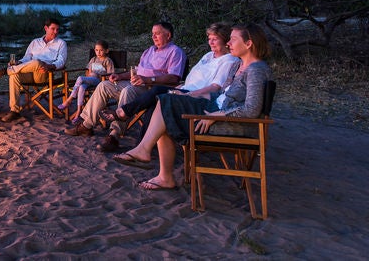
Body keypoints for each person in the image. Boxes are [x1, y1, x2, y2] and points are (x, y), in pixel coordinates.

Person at [112, 23, 273, 190]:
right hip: (213, 108)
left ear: (248, 43)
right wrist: (187, 95)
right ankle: (156, 166)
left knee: (166, 104)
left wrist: (215, 116)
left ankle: (151, 159)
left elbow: (251, 110)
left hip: (229, 123)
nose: (229, 43)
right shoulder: (237, 66)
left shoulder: (256, 70)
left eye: (233, 40)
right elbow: (218, 95)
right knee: (166, 101)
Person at [65, 21, 187, 154]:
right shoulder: (149, 51)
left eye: (157, 34)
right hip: (137, 84)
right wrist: (120, 76)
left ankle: (114, 135)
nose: (154, 37)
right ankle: (86, 125)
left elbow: (174, 78)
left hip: (152, 89)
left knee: (128, 90)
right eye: (152, 34)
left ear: (168, 35)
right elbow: (137, 71)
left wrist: (147, 79)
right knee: (104, 85)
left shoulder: (176, 52)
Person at [102, 23, 238, 128]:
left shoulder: (229, 60)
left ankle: (122, 113)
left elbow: (215, 88)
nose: (211, 42)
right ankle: (140, 146)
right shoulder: (208, 56)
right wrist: (120, 76)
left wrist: (188, 94)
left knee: (157, 92)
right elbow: (193, 78)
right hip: (184, 88)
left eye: (215, 39)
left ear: (226, 41)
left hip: (195, 95)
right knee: (154, 101)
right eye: (209, 39)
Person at [0, 17, 68, 123]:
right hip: (29, 72)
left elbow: (61, 61)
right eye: (53, 29)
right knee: (14, 75)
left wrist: (50, 66)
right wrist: (18, 62)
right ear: (46, 28)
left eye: (57, 29)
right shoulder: (35, 42)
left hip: (44, 73)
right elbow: (27, 58)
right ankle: (14, 111)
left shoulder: (61, 43)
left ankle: (6, 71)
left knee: (38, 62)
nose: (55, 32)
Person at [57, 40, 115, 124]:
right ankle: (78, 113)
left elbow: (111, 74)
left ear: (106, 51)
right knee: (81, 87)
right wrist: (88, 79)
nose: (98, 52)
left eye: (101, 50)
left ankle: (69, 100)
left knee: (80, 78)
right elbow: (88, 72)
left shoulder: (107, 61)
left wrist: (101, 76)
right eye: (96, 50)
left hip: (99, 81)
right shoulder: (93, 59)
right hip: (90, 80)